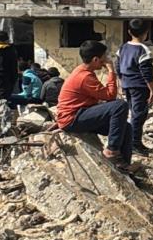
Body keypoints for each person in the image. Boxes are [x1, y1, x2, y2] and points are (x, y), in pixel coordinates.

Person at [56, 40, 133, 170]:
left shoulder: (83, 71)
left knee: (127, 128)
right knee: (120, 105)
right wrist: (111, 71)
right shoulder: (85, 77)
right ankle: (112, 150)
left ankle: (122, 166)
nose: (107, 59)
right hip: (73, 118)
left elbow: (105, 98)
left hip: (81, 114)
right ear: (96, 59)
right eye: (105, 57)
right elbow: (110, 96)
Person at [117, 19, 153, 155]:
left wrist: (121, 82)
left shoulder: (122, 48)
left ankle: (133, 142)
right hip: (139, 87)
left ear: (129, 32)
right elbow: (147, 73)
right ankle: (134, 144)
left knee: (134, 113)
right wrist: (152, 89)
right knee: (138, 116)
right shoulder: (144, 50)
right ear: (146, 33)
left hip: (127, 85)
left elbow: (118, 67)